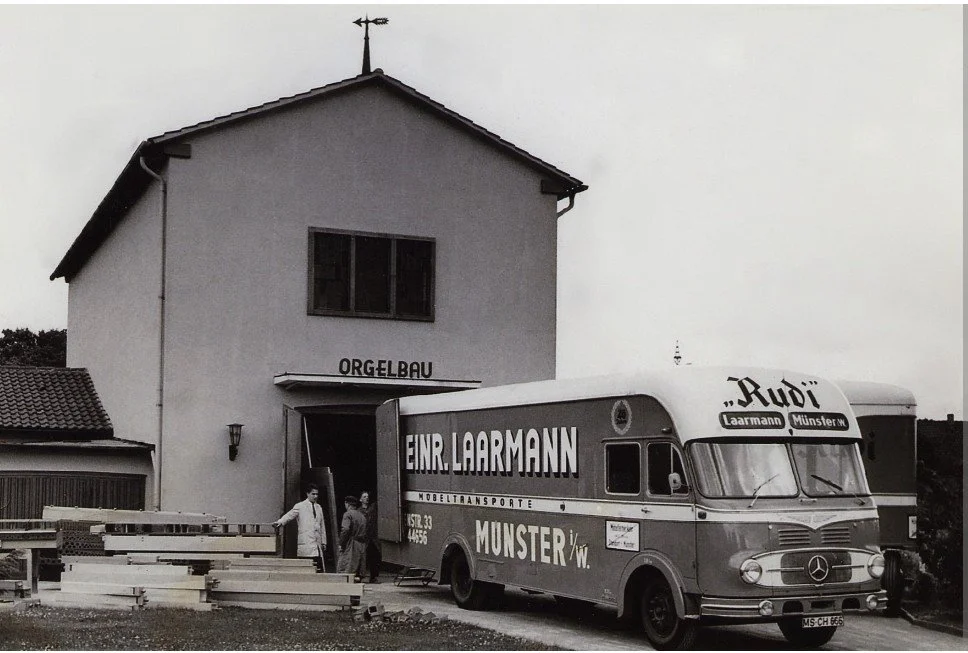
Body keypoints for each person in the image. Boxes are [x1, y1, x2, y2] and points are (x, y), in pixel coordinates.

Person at [272, 483, 327, 572]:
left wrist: (324, 541)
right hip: (306, 541)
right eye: (313, 494)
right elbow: (290, 515)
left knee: (318, 567)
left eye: (317, 494)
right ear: (307, 494)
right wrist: (280, 522)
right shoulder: (300, 506)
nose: (315, 496)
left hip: (317, 542)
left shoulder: (319, 507)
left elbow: (322, 525)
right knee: (306, 566)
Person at [336, 495, 366, 579]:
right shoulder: (362, 516)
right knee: (357, 572)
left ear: (347, 504)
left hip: (351, 545)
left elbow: (345, 529)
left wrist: (341, 543)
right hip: (361, 546)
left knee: (345, 570)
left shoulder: (347, 514)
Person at [360, 490, 382, 583]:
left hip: (373, 538)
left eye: (367, 496)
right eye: (364, 496)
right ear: (360, 499)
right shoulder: (359, 511)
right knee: (362, 558)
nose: (366, 498)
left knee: (375, 557)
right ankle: (360, 576)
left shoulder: (373, 508)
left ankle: (373, 577)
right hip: (364, 538)